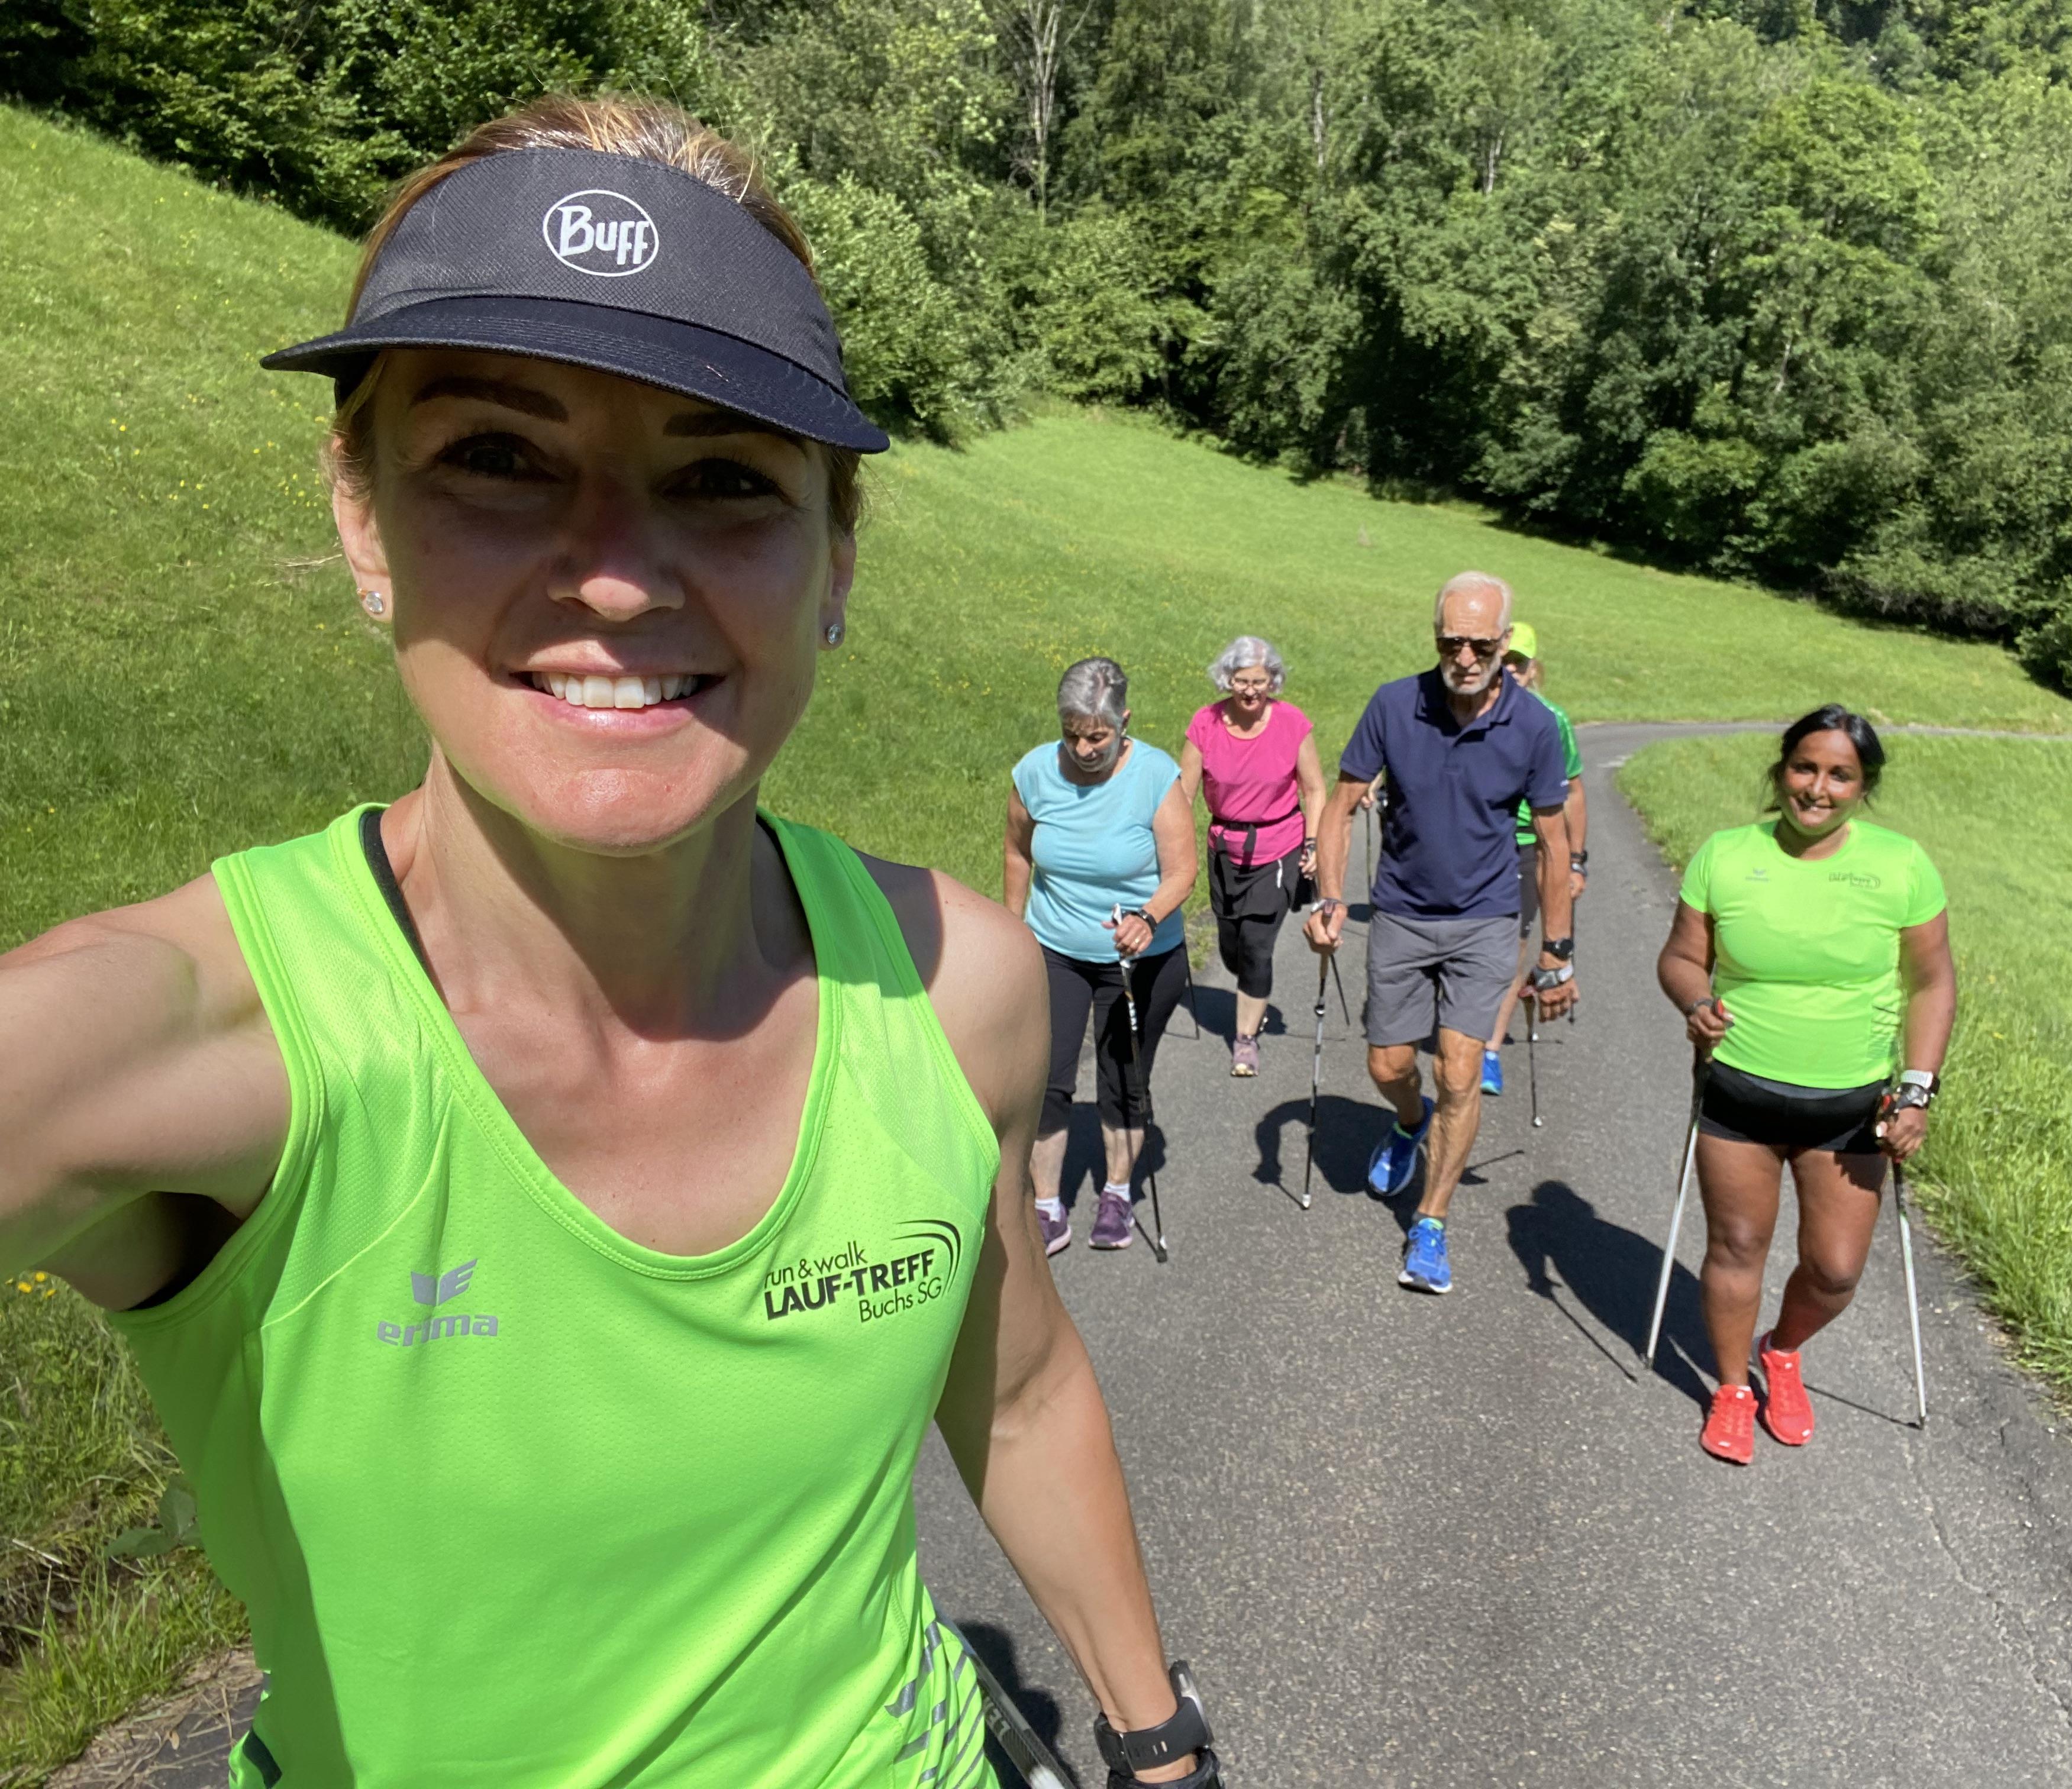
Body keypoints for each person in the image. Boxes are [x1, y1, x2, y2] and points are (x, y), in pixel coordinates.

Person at [0, 99, 1219, 1788]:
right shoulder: (182, 1046)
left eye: (722, 479)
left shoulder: (958, 988)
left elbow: (1012, 1396)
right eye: (496, 459)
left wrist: (1160, 1739)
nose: (621, 578)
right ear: (361, 515)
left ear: (837, 561)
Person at [1654, 705, 1957, 1467]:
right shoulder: (1726, 855)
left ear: (1863, 786)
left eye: (1839, 775)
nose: (1817, 788)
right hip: (1739, 1094)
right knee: (1738, 1246)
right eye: (1804, 768)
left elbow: (1932, 984)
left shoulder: (1902, 865)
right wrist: (1696, 1003)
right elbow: (1681, 959)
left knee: (1835, 1268)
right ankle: (1730, 1388)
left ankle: (1781, 1351)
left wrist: (1917, 1090)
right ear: (1781, 769)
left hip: (1851, 1107)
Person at [1306, 572, 1579, 1294]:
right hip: (1400, 911)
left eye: (1480, 644)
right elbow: (1339, 808)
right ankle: (1406, 1123)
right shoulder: (1396, 704)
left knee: (1459, 1068)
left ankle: (1431, 1222)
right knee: (1388, 1067)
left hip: (1486, 919)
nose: (1463, 656)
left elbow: (1552, 843)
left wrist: (1557, 947)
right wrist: (1329, 896)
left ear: (1504, 641)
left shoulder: (1534, 726)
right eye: (1449, 641)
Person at [1006, 657, 1198, 1257]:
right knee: (1047, 1079)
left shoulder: (1154, 776)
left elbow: (1183, 871)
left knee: (1123, 1081)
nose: (1084, 748)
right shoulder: (1036, 772)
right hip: (1056, 948)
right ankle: (1046, 1206)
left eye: (1098, 736)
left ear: (1123, 723)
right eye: (1072, 734)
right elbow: (1018, 855)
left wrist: (1147, 917)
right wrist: (1013, 931)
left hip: (1141, 957)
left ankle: (1117, 1191)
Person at [1177, 635, 1327, 1076]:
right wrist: (1172, 848)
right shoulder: (1205, 723)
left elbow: (1315, 789)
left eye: (1259, 682)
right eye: (1241, 681)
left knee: (1258, 946)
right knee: (1232, 946)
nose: (1250, 691)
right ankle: (1246, 983)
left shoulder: (1291, 723)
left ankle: (1244, 1041)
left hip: (1279, 845)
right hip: (1225, 846)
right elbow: (1183, 793)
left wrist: (1313, 844)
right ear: (1227, 679)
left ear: (1272, 681)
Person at [1482, 623, 1586, 1097]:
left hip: (1529, 845)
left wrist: (1577, 861)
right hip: (1480, 841)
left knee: (1511, 947)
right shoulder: (1472, 714)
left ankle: (1489, 1049)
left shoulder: (1551, 720)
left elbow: (1575, 794)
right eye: (1504, 661)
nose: (1510, 671)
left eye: (1519, 663)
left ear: (1532, 668)